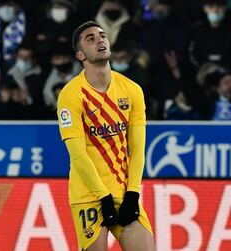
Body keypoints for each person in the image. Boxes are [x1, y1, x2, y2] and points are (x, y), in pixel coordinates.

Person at [57, 21, 155, 250]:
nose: (100, 40)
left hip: (123, 191)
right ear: (80, 54)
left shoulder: (132, 90)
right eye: (90, 39)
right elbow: (78, 155)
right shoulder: (70, 95)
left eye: (102, 35)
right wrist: (103, 197)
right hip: (89, 194)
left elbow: (138, 149)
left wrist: (133, 193)